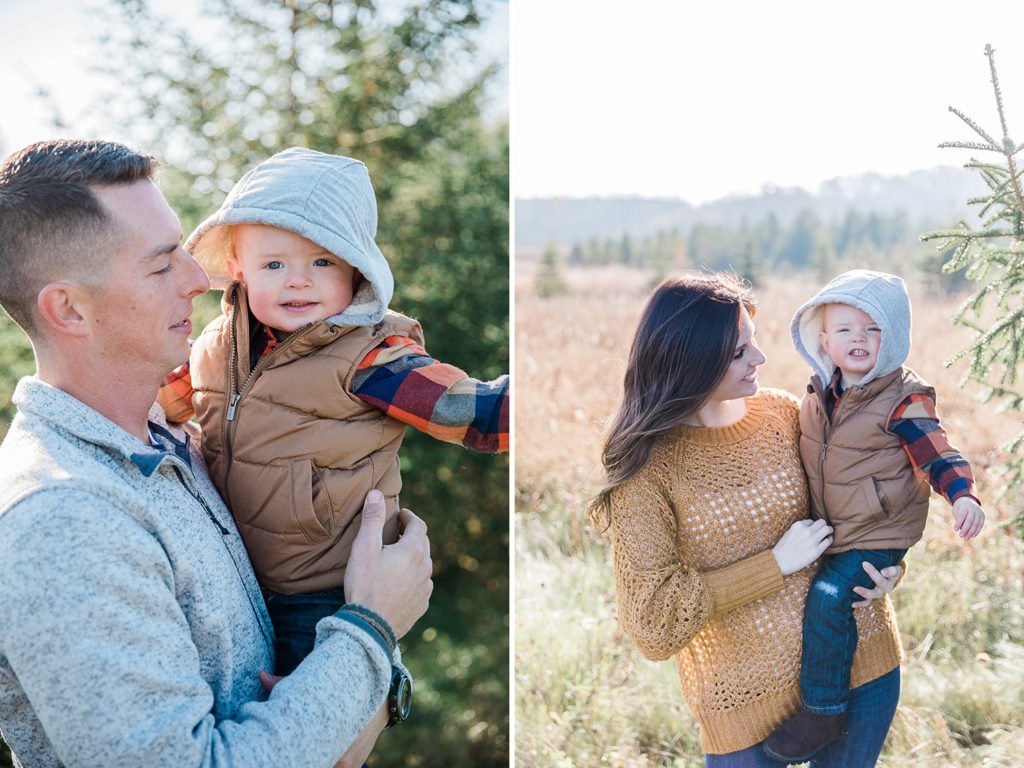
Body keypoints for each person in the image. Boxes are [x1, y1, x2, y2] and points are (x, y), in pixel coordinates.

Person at [0, 138, 433, 767]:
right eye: (161, 263)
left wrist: (361, 666)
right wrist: (371, 627)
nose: (201, 279)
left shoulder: (177, 444)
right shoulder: (62, 520)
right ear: (68, 308)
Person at [155, 147, 509, 675]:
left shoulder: (368, 357)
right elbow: (155, 406)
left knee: (319, 735)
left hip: (329, 593)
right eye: (274, 264)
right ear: (238, 272)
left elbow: (474, 414)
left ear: (356, 271)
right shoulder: (212, 350)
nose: (299, 280)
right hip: (236, 579)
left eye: (322, 262)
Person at [589, 273, 905, 767]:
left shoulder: (784, 413)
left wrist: (885, 567)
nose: (758, 358)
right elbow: (653, 623)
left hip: (858, 663)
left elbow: (864, 496)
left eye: (753, 342)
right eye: (739, 352)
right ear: (690, 360)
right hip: (741, 703)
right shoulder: (645, 470)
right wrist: (773, 564)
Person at [763, 270, 984, 763]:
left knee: (827, 596)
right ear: (823, 340)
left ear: (895, 336)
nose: (858, 339)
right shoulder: (819, 395)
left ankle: (823, 709)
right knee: (816, 594)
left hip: (878, 530)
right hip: (839, 528)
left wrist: (963, 494)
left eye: (873, 329)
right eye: (845, 329)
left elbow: (936, 453)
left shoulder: (903, 398)